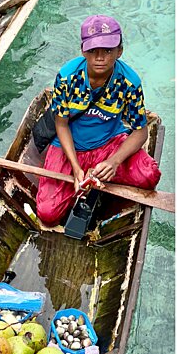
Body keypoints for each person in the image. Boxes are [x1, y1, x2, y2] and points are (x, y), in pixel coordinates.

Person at [36, 14, 162, 227]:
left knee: (149, 176)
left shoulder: (129, 82)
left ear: (119, 51)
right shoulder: (68, 77)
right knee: (47, 215)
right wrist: (76, 168)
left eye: (108, 51)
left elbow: (140, 131)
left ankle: (98, 173)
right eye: (93, 51)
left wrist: (113, 162)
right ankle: (90, 176)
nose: (100, 58)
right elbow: (61, 124)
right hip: (69, 149)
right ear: (83, 50)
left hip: (108, 145)